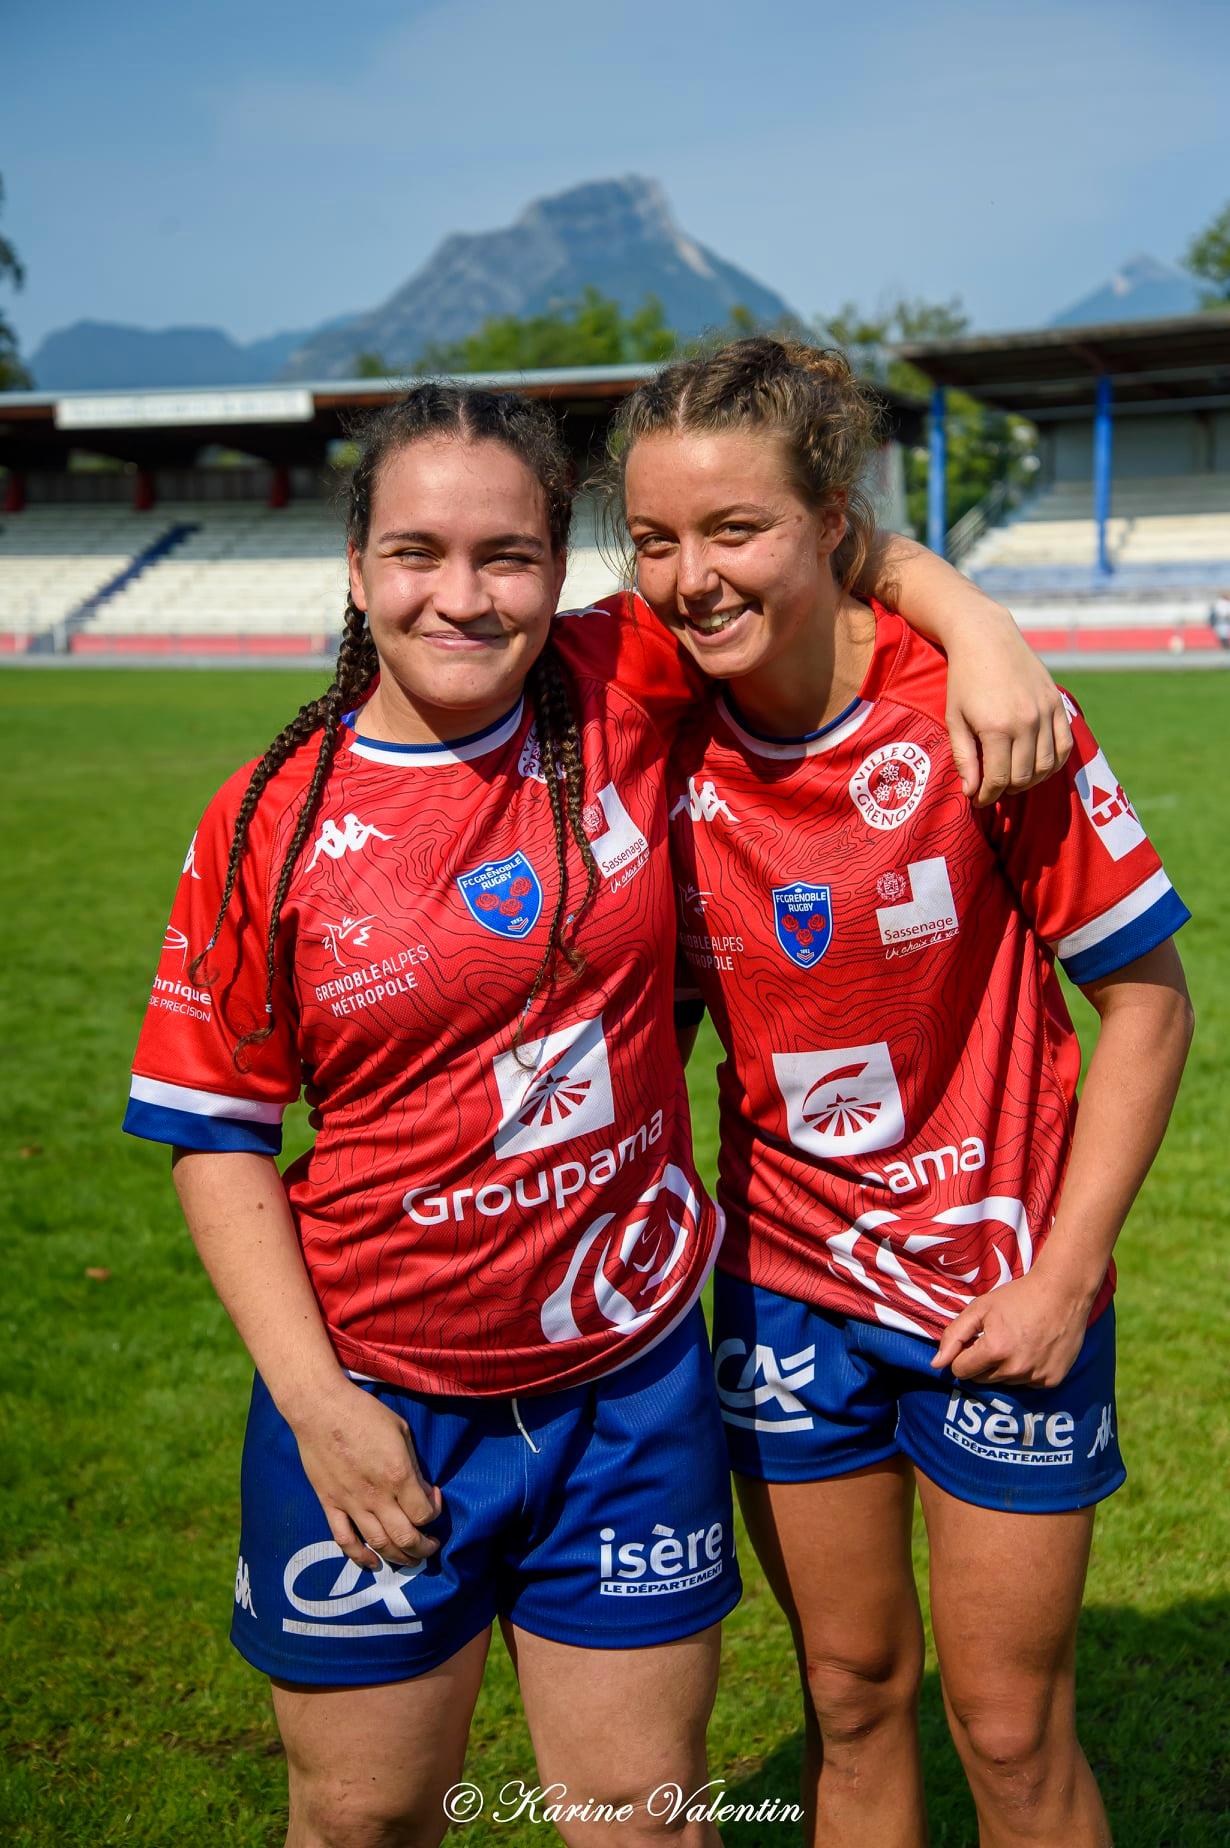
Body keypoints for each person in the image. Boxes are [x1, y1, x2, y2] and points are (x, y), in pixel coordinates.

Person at [124, 380, 1070, 1848]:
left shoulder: (618, 680)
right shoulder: (270, 822)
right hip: (379, 1395)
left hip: (630, 1396)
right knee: (365, 1816)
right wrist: (322, 1409)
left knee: (640, 1818)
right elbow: (217, 1131)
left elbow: (803, 542)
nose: (460, 596)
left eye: (505, 555)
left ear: (560, 572)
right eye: (415, 554)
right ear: (357, 566)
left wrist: (980, 623)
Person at [611, 337, 1195, 1848]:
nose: (690, 579)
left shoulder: (981, 717)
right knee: (853, 1694)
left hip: (1003, 1282)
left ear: (828, 523)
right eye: (653, 541)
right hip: (787, 1285)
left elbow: (1144, 1006)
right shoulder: (645, 716)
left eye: (732, 530)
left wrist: (1065, 1279)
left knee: (1007, 1730)